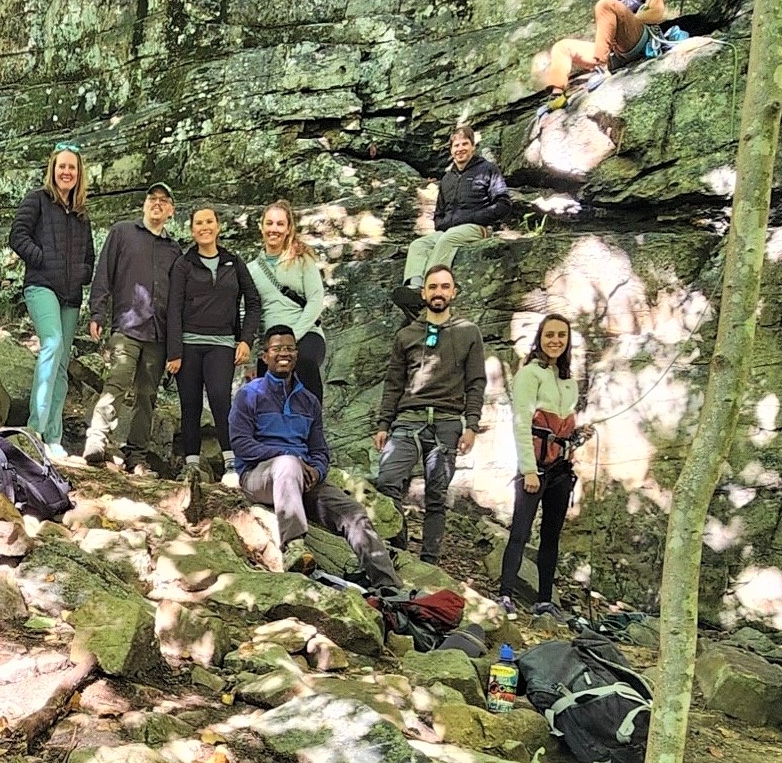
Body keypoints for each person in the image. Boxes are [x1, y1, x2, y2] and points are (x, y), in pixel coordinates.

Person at [231, 325, 402, 586]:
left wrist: (317, 471)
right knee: (287, 465)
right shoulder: (249, 395)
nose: (283, 354)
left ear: (297, 354)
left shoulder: (308, 401)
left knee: (352, 511)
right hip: (258, 477)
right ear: (265, 356)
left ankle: (389, 585)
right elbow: (242, 445)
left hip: (303, 478)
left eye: (289, 348)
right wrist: (290, 456)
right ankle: (294, 548)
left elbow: (320, 451)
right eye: (277, 349)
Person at [374, 265, 486, 563]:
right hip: (408, 420)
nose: (439, 292)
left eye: (445, 287)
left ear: (454, 292)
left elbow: (476, 382)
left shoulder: (468, 333)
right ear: (423, 293)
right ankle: (398, 551)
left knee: (437, 497)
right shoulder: (406, 335)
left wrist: (472, 425)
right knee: (387, 481)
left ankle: (429, 563)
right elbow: (393, 382)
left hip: (447, 422)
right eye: (433, 287)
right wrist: (384, 423)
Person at [498, 314, 595, 619]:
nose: (555, 340)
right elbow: (522, 423)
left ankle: (544, 600)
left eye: (561, 336)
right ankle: (505, 594)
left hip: (561, 470)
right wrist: (528, 468)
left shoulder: (568, 381)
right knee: (521, 531)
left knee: (551, 535)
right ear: (540, 338)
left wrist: (577, 435)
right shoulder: (529, 374)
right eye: (549, 335)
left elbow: (562, 423)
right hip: (536, 467)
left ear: (567, 341)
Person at [84, 182, 182, 474]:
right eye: (153, 198)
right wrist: (97, 312)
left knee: (147, 396)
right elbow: (104, 272)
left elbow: (178, 301)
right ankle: (96, 439)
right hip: (127, 325)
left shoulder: (174, 250)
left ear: (171, 211)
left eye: (164, 201)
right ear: (144, 204)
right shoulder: (122, 232)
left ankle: (136, 456)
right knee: (117, 380)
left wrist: (176, 347)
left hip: (158, 334)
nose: (158, 204)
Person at [9, 142, 95, 458]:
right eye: (62, 166)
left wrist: (83, 273)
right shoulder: (38, 200)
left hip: (71, 296)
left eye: (72, 167)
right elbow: (17, 235)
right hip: (41, 286)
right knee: (52, 343)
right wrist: (42, 259)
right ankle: (34, 431)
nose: (66, 172)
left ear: (78, 173)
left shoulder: (82, 214)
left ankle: (54, 439)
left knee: (61, 364)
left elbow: (90, 255)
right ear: (53, 169)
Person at [166, 207, 262, 483]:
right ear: (191, 229)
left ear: (218, 226)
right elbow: (173, 308)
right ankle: (192, 464)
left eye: (209, 222)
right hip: (188, 344)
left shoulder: (233, 262)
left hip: (222, 344)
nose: (204, 227)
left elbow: (253, 302)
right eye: (198, 223)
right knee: (191, 404)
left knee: (221, 400)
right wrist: (174, 352)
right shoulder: (184, 264)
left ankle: (232, 464)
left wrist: (245, 339)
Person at [536, 0, 666, 113]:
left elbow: (657, 13)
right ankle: (557, 95)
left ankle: (601, 69)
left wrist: (628, 19)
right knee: (562, 47)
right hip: (616, 51)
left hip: (638, 39)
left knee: (605, 5)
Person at [392, 126, 510, 315]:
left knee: (448, 239)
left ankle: (429, 290)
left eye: (465, 144)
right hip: (450, 230)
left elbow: (503, 204)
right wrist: (444, 224)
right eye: (456, 145)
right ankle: (414, 289)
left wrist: (475, 218)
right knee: (419, 244)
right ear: (451, 149)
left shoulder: (488, 169)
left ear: (473, 146)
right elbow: (438, 214)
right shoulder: (447, 178)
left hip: (478, 228)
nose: (460, 148)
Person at [248, 200, 327, 402]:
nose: (274, 229)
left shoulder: (302, 259)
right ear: (261, 226)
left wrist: (291, 338)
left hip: (305, 334)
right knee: (266, 392)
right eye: (270, 223)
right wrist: (252, 355)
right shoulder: (251, 270)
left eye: (280, 224)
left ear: (289, 228)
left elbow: (316, 299)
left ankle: (313, 423)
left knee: (303, 360)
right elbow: (249, 312)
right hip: (270, 341)